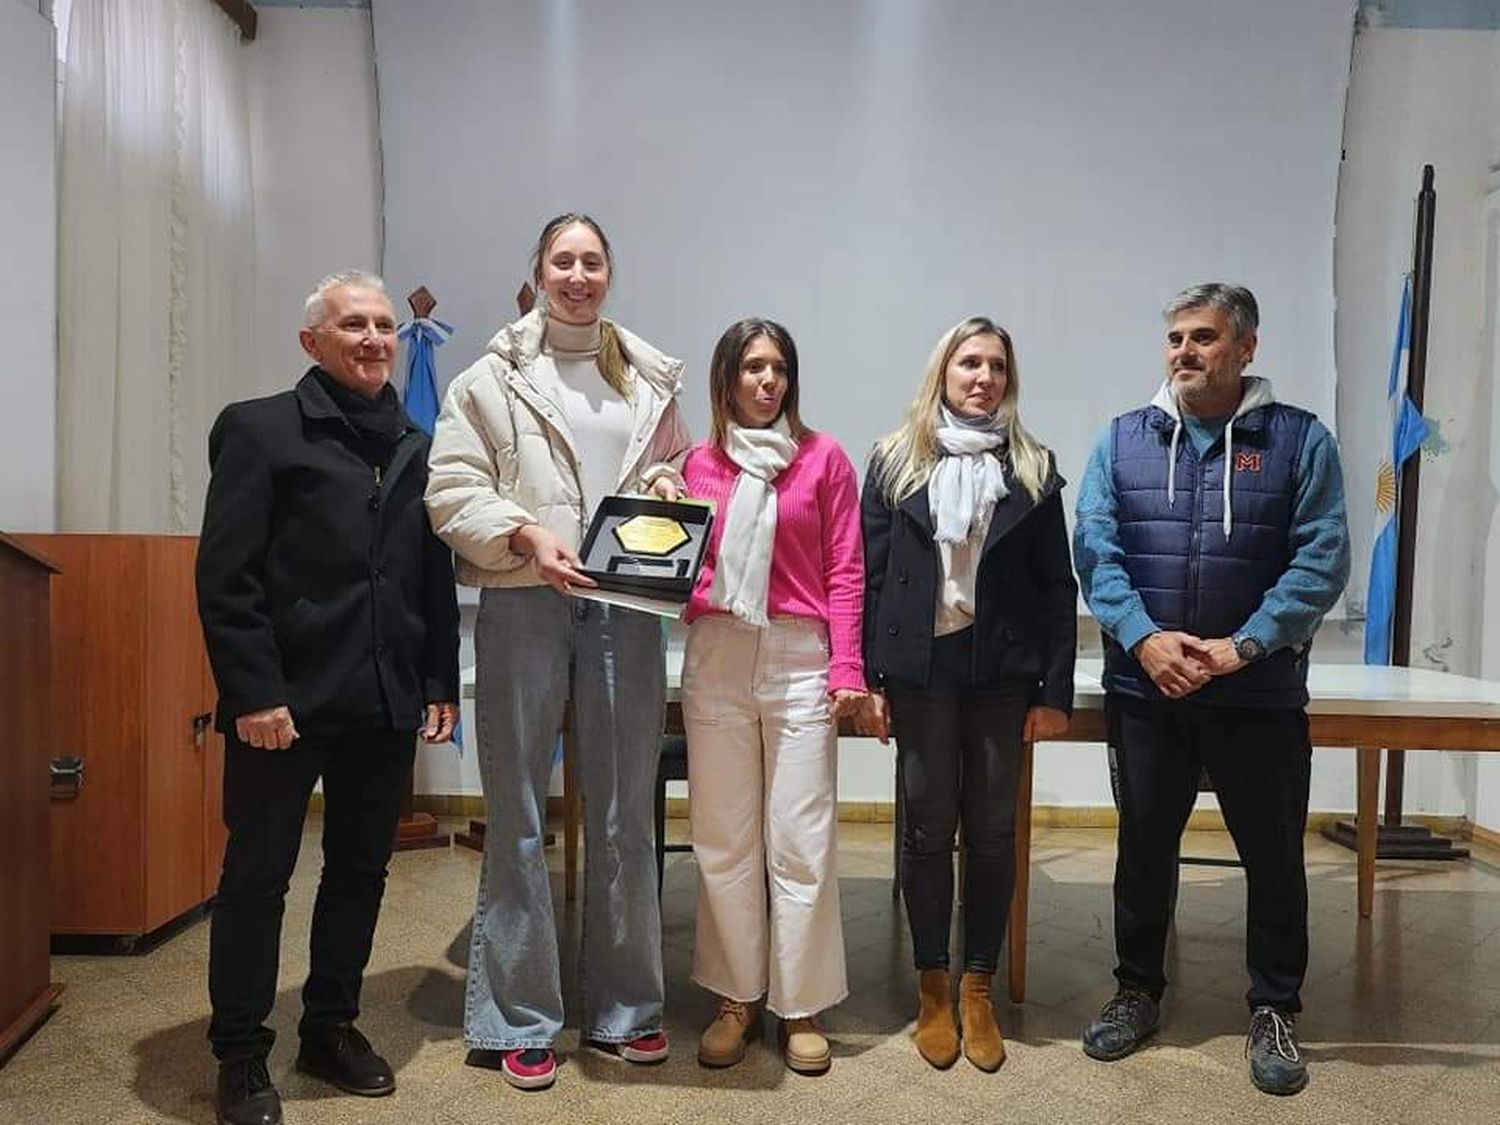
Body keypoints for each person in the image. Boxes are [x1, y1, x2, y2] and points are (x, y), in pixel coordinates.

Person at [425, 214, 690, 1091]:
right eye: (563, 260)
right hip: (523, 602)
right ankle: (518, 1016)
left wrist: (662, 496)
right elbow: (452, 488)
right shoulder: (490, 379)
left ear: (611, 272)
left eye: (593, 261)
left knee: (624, 814)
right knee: (519, 811)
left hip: (623, 613)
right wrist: (527, 533)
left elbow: (674, 475)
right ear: (538, 270)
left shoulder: (648, 378)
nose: (578, 275)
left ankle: (624, 1011)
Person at [196, 270, 460, 1125]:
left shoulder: (416, 444)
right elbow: (227, 579)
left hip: (381, 700)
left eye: (385, 325)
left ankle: (330, 1025)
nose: (377, 338)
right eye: (355, 324)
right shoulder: (260, 430)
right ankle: (240, 1051)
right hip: (285, 705)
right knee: (258, 877)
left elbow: (430, 576)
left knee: (358, 871)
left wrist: (437, 681)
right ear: (313, 341)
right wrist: (254, 693)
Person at [1073, 283, 1350, 1096]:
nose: (1185, 352)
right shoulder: (1122, 441)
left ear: (1246, 348)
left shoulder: (1300, 441)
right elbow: (1096, 548)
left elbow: (1322, 556)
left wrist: (1244, 645)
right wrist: (1145, 638)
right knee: (1144, 846)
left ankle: (1273, 1008)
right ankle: (1136, 990)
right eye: (1175, 339)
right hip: (1146, 689)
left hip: (1258, 694)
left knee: (1271, 856)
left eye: (1203, 337)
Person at [857, 316, 1076, 1072]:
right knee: (923, 829)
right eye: (969, 363)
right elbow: (872, 576)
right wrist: (869, 678)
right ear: (942, 373)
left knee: (990, 832)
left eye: (996, 366)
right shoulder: (892, 461)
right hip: (920, 670)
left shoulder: (1034, 466)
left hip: (1001, 673)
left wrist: (1054, 689)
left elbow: (1057, 585)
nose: (983, 377)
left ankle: (977, 983)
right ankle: (932, 986)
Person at [680, 318, 867, 1075]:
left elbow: (847, 569)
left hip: (798, 653)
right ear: (725, 380)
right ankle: (735, 997)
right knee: (724, 839)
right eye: (752, 368)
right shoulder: (695, 464)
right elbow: (674, 570)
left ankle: (801, 1002)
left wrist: (846, 667)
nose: (767, 381)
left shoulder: (824, 460)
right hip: (719, 649)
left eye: (779, 368)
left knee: (802, 838)